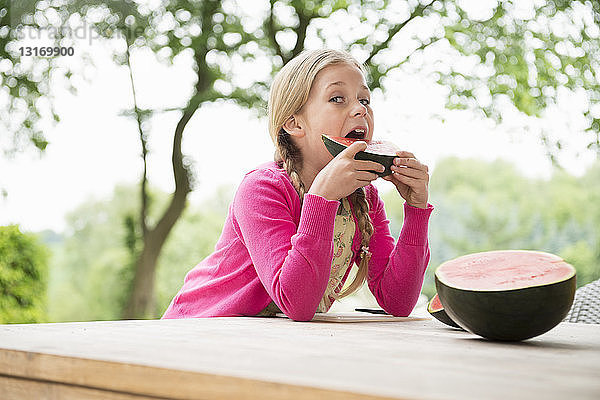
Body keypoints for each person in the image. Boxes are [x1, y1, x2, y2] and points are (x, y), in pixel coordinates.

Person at [162, 49, 434, 322]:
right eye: (337, 99)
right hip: (195, 331)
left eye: (364, 99)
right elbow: (298, 304)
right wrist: (322, 198)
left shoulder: (364, 197)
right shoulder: (262, 188)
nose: (361, 109)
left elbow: (398, 301)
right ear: (294, 123)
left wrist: (416, 209)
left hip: (263, 343)